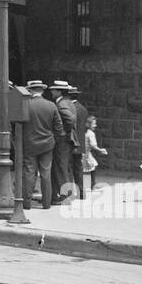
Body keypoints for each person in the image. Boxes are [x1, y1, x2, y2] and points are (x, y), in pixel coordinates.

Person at [22, 80, 59, 209]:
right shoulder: (51, 105)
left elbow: (19, 125)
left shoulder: (26, 105)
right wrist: (53, 138)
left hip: (29, 144)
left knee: (29, 172)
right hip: (47, 144)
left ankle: (26, 203)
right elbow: (58, 127)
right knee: (46, 173)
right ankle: (46, 203)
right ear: (42, 91)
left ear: (31, 91)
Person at [49, 80, 78, 205]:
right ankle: (63, 194)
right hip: (67, 139)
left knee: (60, 167)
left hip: (63, 140)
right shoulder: (68, 102)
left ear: (59, 91)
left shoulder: (61, 104)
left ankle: (66, 194)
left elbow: (70, 119)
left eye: (53, 90)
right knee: (63, 166)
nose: (51, 92)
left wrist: (63, 131)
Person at [67, 85, 90, 199]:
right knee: (78, 168)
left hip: (70, 143)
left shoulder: (69, 108)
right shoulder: (83, 109)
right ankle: (81, 192)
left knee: (68, 168)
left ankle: (69, 192)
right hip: (80, 143)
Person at [82, 115, 108, 191]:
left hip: (82, 153)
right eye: (93, 124)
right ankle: (92, 184)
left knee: (87, 168)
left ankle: (88, 184)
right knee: (92, 167)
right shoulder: (91, 134)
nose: (95, 125)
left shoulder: (83, 131)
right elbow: (94, 146)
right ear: (89, 124)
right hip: (87, 154)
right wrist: (101, 150)